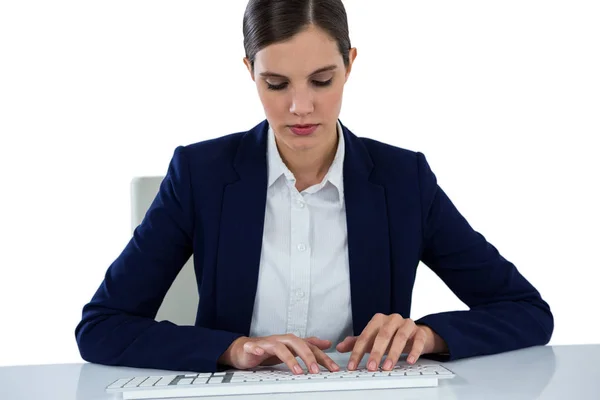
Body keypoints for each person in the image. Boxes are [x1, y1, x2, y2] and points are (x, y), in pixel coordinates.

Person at [75, 0, 553, 375]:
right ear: (249, 72)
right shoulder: (200, 174)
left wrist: (427, 337)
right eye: (276, 84)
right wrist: (231, 349)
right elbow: (101, 326)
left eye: (322, 80)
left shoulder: (403, 179)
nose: (300, 106)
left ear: (350, 64)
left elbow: (526, 311)